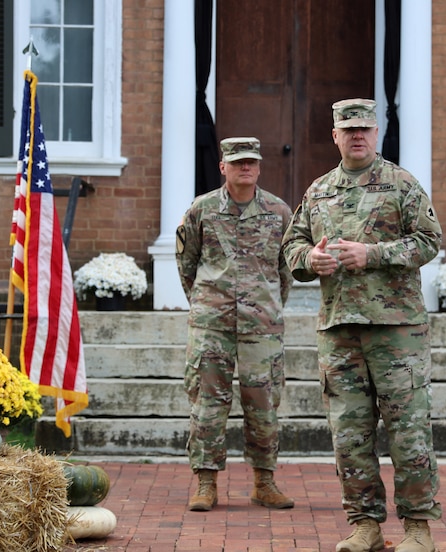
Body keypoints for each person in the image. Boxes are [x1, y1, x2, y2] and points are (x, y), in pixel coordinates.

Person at [281, 99, 442, 552]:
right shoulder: (318, 191)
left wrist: (373, 254)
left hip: (396, 330)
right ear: (335, 136)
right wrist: (308, 259)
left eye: (365, 129)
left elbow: (429, 242)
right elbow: (292, 244)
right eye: (348, 129)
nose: (357, 136)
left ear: (377, 133)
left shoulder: (402, 184)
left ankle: (417, 529)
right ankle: (365, 525)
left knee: (408, 431)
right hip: (339, 329)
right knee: (349, 436)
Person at [176, 136, 295, 512]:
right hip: (212, 323)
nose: (246, 167)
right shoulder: (202, 210)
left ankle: (264, 481)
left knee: (263, 403)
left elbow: (285, 270)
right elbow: (187, 263)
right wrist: (207, 301)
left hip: (262, 325)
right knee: (208, 404)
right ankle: (205, 483)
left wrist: (267, 305)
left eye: (252, 162)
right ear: (223, 166)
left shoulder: (279, 212)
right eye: (238, 162)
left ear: (259, 167)